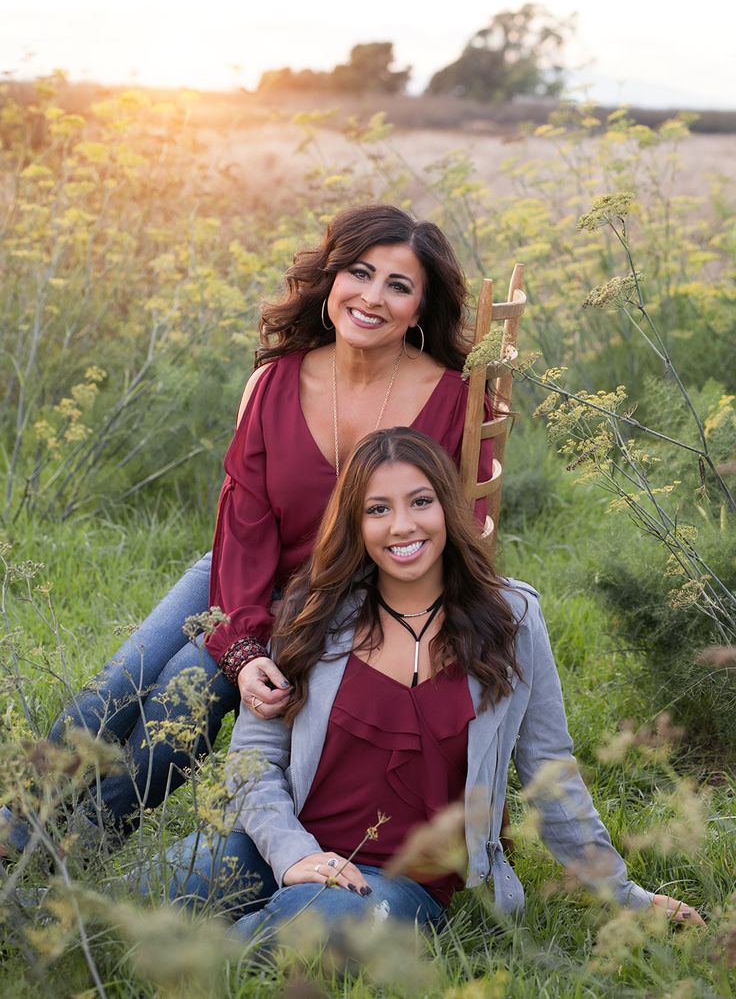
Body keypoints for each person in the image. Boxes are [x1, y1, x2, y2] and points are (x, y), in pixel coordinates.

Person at [0, 204, 493, 851]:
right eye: (360, 273)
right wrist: (242, 642)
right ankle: (16, 817)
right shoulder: (276, 381)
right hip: (239, 567)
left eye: (398, 285)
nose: (372, 297)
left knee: (192, 685)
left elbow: (450, 545)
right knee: (128, 674)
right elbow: (244, 526)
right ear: (332, 277)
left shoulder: (454, 402)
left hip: (342, 597)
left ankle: (78, 844)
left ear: (419, 305)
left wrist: (247, 652)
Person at [148, 428, 704, 943]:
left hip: (397, 882)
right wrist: (293, 854)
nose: (402, 526)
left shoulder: (512, 616)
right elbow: (252, 761)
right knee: (146, 898)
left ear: (447, 506)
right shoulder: (314, 611)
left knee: (323, 924)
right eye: (377, 509)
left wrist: (623, 895)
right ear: (355, 524)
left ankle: (199, 967)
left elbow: (550, 771)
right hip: (285, 845)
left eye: (420, 502)